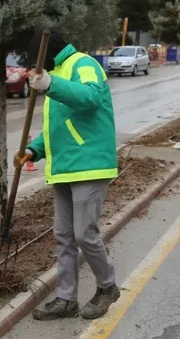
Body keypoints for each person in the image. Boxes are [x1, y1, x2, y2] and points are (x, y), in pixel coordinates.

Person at [14, 31, 119, 321]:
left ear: (46, 53)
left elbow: (90, 97)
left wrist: (50, 84)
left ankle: (107, 286)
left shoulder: (82, 63)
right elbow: (57, 129)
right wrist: (34, 151)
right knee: (63, 236)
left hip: (90, 164)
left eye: (34, 60)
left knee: (85, 233)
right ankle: (66, 298)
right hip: (63, 167)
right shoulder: (55, 74)